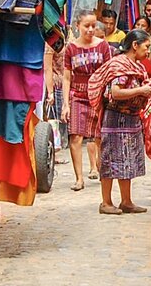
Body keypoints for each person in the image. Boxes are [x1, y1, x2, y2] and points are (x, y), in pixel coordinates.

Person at [87, 29, 151, 215]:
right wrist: (141, 91)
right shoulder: (119, 65)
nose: (148, 51)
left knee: (128, 159)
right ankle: (106, 202)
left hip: (131, 119)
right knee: (110, 159)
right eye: (147, 46)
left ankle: (126, 201)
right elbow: (116, 93)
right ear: (135, 45)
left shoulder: (136, 66)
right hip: (116, 118)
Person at [61, 11, 114, 190]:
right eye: (86, 26)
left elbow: (109, 72)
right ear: (78, 26)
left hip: (98, 95)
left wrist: (108, 95)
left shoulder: (103, 46)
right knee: (75, 136)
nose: (90, 30)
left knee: (99, 136)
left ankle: (100, 167)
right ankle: (79, 178)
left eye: (93, 26)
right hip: (78, 94)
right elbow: (67, 77)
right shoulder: (71, 49)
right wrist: (66, 104)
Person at [43, 44, 69, 164]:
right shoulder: (49, 45)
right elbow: (47, 68)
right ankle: (54, 154)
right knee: (54, 121)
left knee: (60, 122)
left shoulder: (65, 37)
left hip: (65, 83)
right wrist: (50, 92)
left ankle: (56, 152)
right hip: (55, 84)